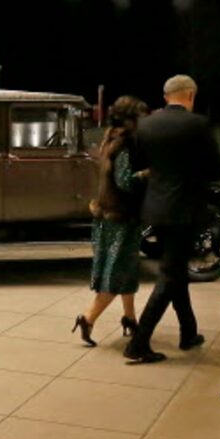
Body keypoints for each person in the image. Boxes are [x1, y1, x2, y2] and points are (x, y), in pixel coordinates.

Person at [125, 74, 220, 364]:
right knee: (170, 274)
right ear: (190, 95)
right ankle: (138, 343)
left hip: (156, 208)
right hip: (185, 209)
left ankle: (188, 332)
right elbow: (216, 169)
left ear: (166, 95)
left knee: (176, 270)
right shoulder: (198, 124)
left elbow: (140, 164)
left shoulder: (146, 125)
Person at [75, 96, 151, 346]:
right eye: (140, 116)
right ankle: (88, 318)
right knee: (116, 274)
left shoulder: (110, 138)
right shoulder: (125, 145)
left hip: (108, 215)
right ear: (130, 119)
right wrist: (148, 173)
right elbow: (125, 181)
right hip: (121, 218)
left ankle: (130, 319)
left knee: (126, 270)